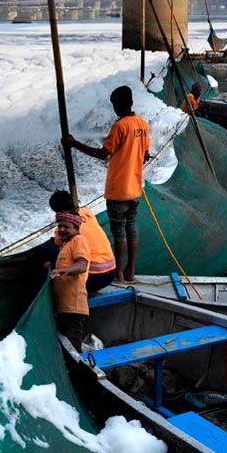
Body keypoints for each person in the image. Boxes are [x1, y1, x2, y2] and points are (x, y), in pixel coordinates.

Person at [61, 85, 150, 283]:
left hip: (118, 189)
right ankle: (130, 272)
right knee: (132, 228)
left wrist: (74, 143)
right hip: (135, 188)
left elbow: (102, 153)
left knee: (119, 232)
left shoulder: (120, 126)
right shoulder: (143, 124)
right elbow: (145, 154)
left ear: (118, 105)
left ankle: (118, 274)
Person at [43, 190, 117, 293]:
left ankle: (48, 280)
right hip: (111, 272)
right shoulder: (87, 211)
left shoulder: (62, 230)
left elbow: (58, 245)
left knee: (48, 249)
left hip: (93, 277)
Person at [48, 211, 91, 350]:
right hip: (63, 308)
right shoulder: (65, 245)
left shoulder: (79, 241)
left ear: (76, 228)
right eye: (59, 226)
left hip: (74, 307)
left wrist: (60, 271)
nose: (61, 229)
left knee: (73, 348)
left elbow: (82, 265)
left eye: (66, 227)